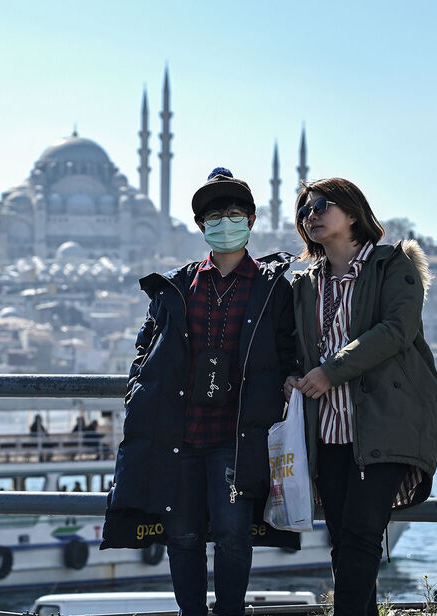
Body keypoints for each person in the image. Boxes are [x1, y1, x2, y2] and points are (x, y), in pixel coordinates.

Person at [102, 168, 302, 616]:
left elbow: (290, 347)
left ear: (250, 221)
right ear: (201, 226)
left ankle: (229, 611)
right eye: (215, 216)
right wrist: (138, 387)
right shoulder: (176, 286)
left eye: (234, 214)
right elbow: (146, 346)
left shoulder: (273, 289)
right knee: (184, 535)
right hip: (180, 434)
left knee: (233, 534)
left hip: (237, 436)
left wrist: (289, 376)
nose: (224, 223)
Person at [285, 177, 437, 616]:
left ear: (353, 213)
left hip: (382, 425)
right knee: (344, 539)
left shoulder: (393, 265)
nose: (310, 215)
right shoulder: (306, 283)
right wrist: (294, 376)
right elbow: (299, 348)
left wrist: (330, 373)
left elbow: (396, 330)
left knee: (360, 534)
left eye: (320, 205)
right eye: (303, 210)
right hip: (329, 429)